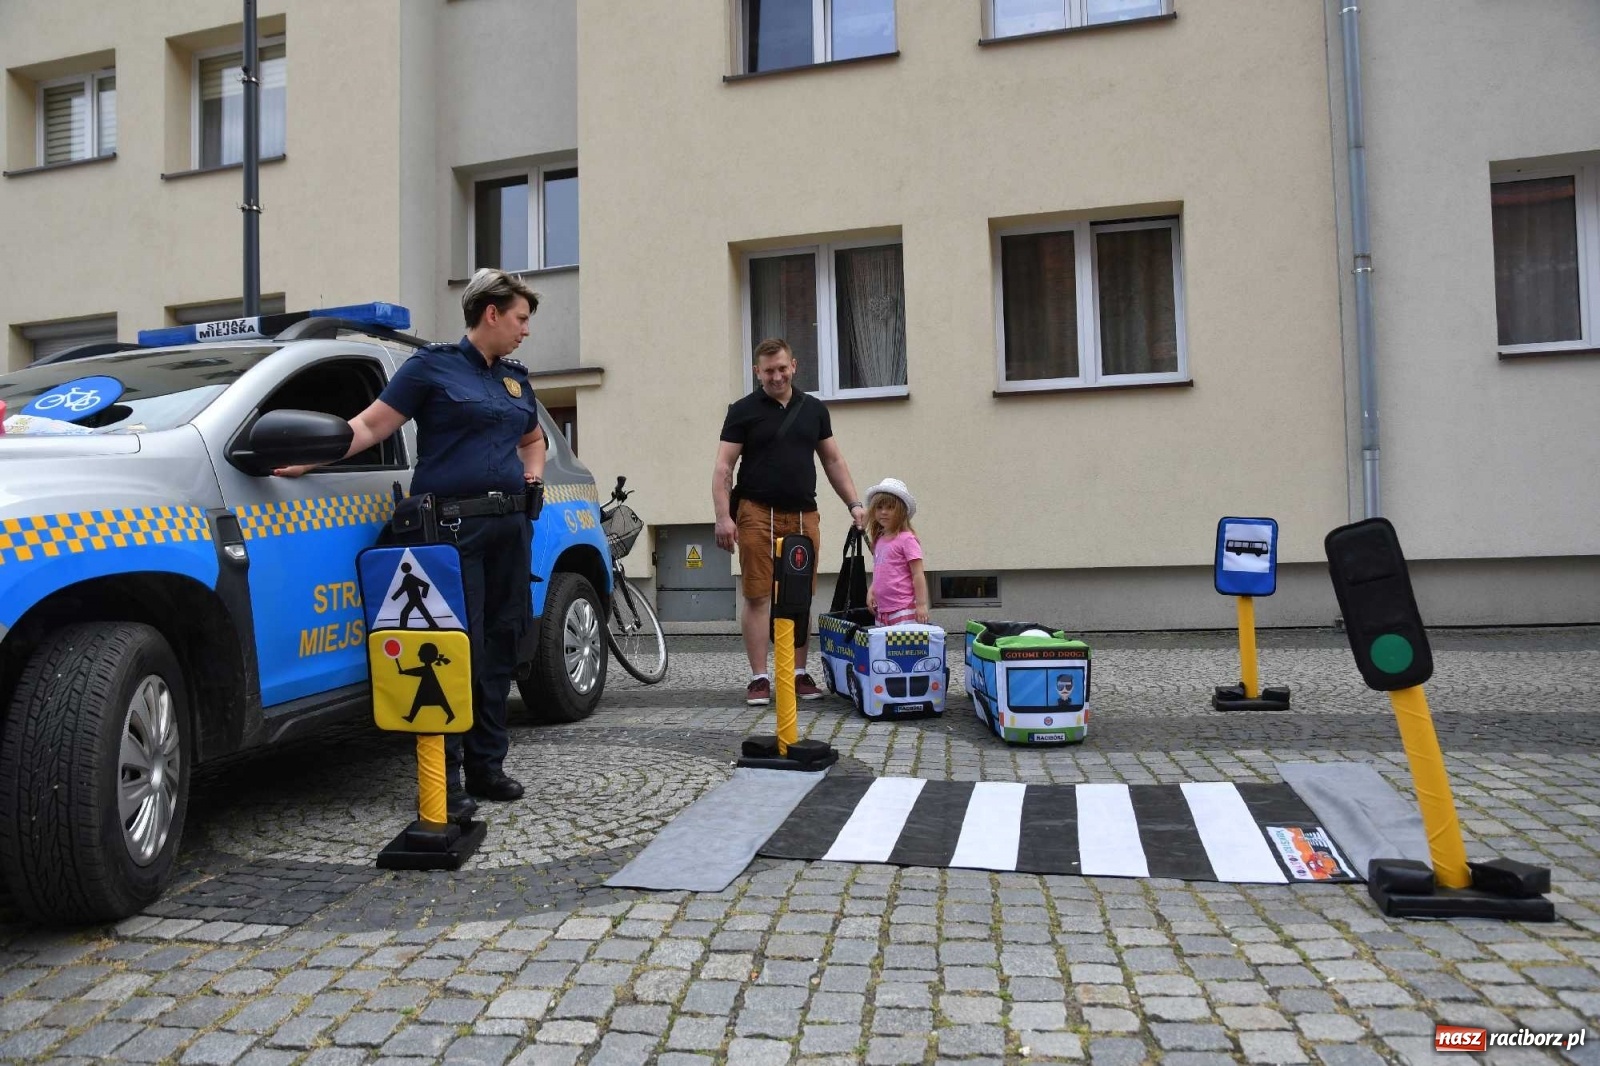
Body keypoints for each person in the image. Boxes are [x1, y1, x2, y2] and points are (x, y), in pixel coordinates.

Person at [275, 267, 546, 816]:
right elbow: (371, 427)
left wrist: (534, 478)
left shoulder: (514, 378)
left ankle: (487, 767)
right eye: (520, 319)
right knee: (451, 652)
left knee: (500, 644)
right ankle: (443, 779)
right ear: (490, 314)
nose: (525, 330)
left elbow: (533, 437)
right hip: (451, 532)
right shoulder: (431, 367)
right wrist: (307, 458)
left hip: (510, 530)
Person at [713, 338, 868, 705]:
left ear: (794, 366)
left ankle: (797, 674)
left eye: (782, 368)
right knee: (758, 595)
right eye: (769, 371)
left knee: (799, 597)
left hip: (803, 515)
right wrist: (723, 516)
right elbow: (723, 466)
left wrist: (854, 503)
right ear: (757, 372)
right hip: (755, 514)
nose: (777, 376)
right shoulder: (742, 410)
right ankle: (759, 678)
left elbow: (832, 461)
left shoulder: (814, 409)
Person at [862, 478, 929, 627]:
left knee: (901, 650)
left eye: (890, 507)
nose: (883, 512)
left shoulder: (907, 539)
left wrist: (921, 604)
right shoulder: (879, 539)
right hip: (882, 610)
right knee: (884, 649)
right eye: (879, 507)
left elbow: (918, 573)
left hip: (903, 610)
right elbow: (880, 570)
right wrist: (872, 591)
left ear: (902, 511)